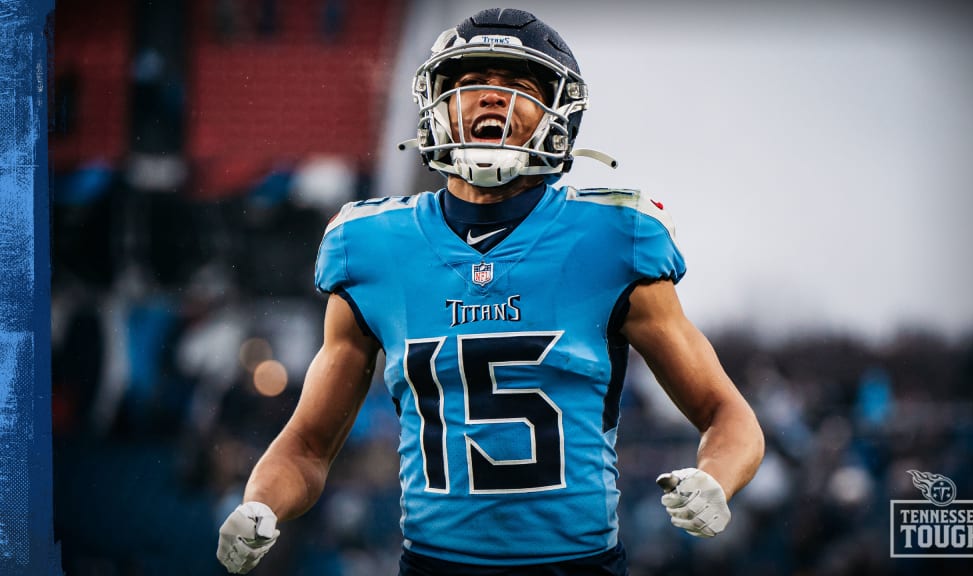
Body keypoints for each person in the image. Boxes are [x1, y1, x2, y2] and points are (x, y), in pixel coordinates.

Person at [216, 8, 764, 575]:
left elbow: (727, 415)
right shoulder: (372, 245)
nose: (491, 98)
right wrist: (261, 503)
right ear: (437, 106)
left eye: (520, 86)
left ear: (558, 112)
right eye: (469, 83)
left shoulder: (613, 237)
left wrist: (716, 479)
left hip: (578, 567)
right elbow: (307, 445)